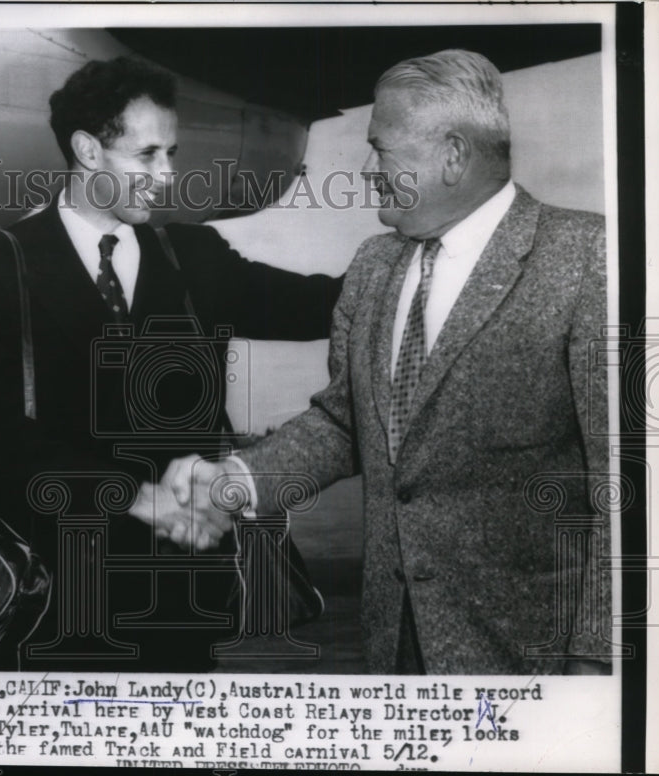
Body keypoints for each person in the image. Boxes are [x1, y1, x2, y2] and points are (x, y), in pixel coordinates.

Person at [164, 49, 611, 675]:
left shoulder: (589, 260)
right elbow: (345, 423)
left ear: (453, 155)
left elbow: (628, 485)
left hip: (531, 660)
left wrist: (595, 655)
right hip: (392, 649)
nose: (366, 170)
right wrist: (237, 479)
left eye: (383, 149)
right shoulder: (374, 268)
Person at [0, 56, 343, 671]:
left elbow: (323, 304)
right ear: (87, 150)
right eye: (147, 155)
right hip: (57, 602)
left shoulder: (196, 256)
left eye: (171, 153)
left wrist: (418, 254)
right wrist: (135, 497)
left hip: (182, 601)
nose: (166, 176)